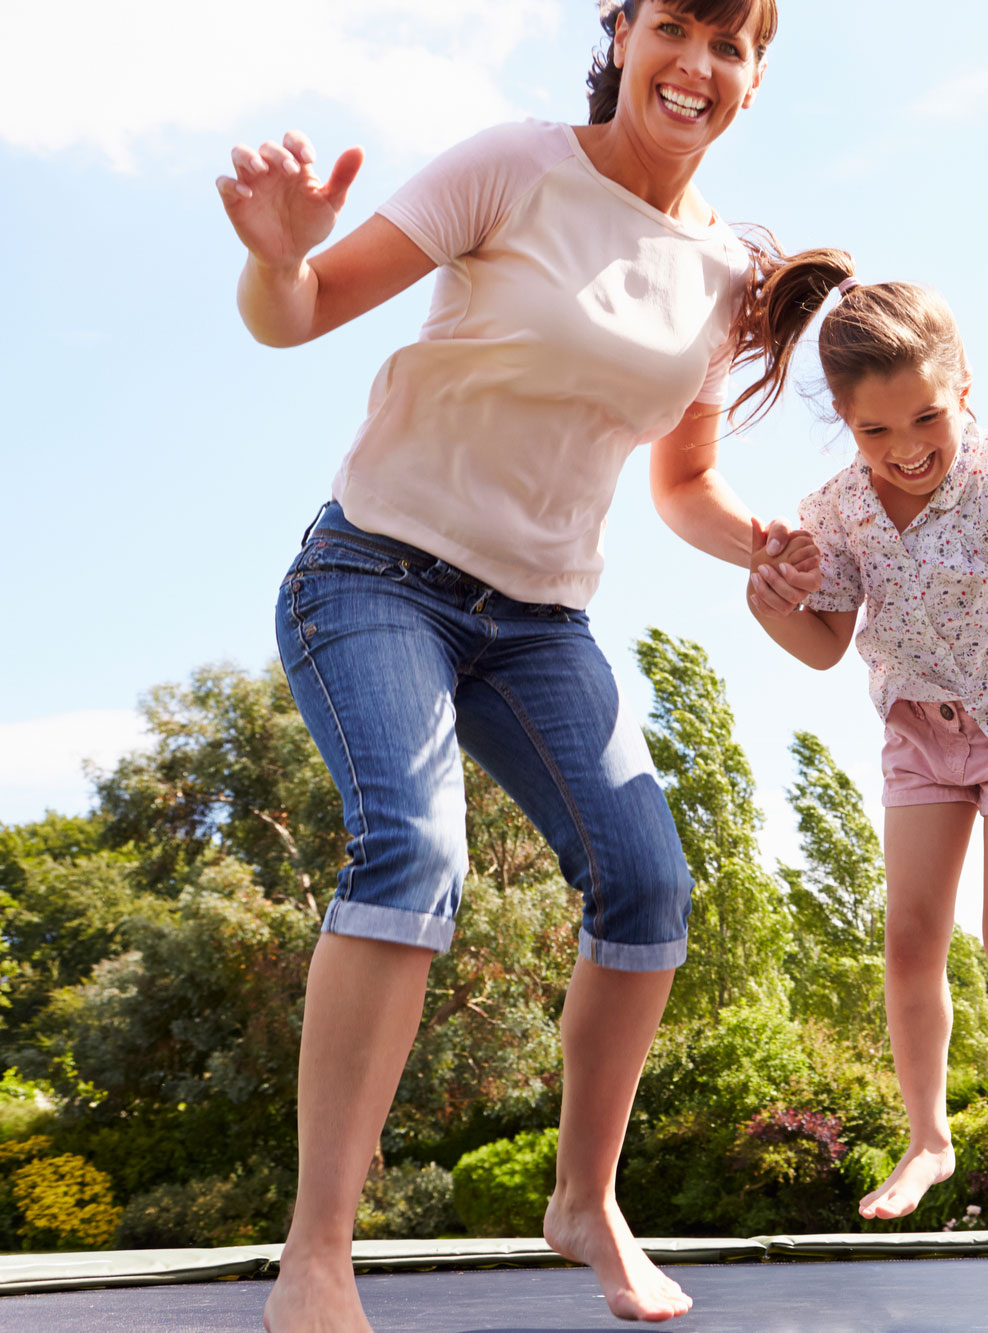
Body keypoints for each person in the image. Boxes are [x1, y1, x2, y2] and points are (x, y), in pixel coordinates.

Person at [214, 3, 823, 1328]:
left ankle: (583, 1198)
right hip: (376, 576)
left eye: (731, 46)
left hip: (541, 624)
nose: (698, 65)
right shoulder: (514, 165)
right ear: (626, 34)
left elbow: (689, 480)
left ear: (754, 80)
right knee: (411, 850)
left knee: (649, 881)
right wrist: (277, 258)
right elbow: (298, 311)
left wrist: (760, 543)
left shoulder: (724, 276)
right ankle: (318, 1248)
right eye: (678, 27)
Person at [739, 260, 988, 1237]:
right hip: (917, 728)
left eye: (926, 419)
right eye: (875, 431)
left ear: (962, 386)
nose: (905, 451)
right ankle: (928, 1137)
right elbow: (821, 643)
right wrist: (768, 606)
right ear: (847, 427)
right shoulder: (836, 508)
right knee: (908, 938)